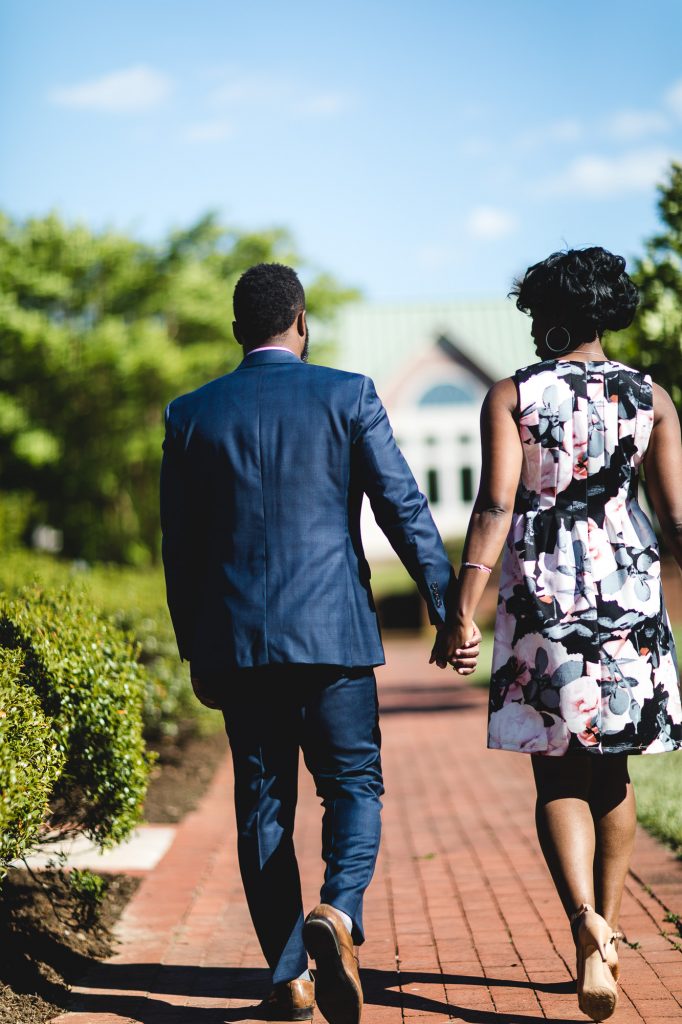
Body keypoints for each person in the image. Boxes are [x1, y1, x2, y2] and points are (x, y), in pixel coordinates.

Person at [160, 262, 481, 1024]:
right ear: (301, 322)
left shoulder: (192, 414)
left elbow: (180, 547)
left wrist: (194, 648)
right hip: (334, 636)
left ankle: (287, 980)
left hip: (239, 646)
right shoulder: (349, 395)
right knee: (353, 786)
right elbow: (402, 505)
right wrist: (448, 609)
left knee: (263, 807)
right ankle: (337, 911)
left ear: (238, 330)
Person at [432, 247, 682, 1022]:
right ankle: (605, 937)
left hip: (545, 594)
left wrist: (462, 607)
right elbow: (676, 520)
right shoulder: (653, 398)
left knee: (556, 773)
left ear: (560, 314)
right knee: (613, 774)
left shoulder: (514, 394)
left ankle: (584, 924)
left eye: (538, 313)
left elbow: (495, 508)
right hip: (629, 593)